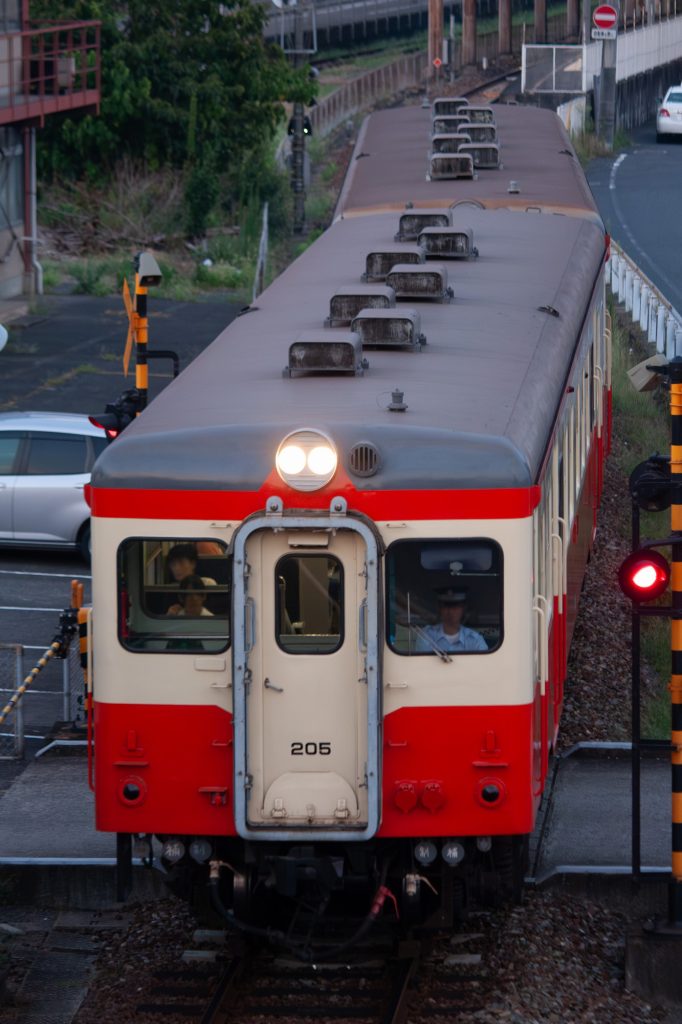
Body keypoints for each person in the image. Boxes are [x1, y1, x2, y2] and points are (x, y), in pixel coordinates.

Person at [416, 587, 487, 653]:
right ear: (439, 608)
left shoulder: (474, 639)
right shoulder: (427, 636)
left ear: (463, 609)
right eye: (446, 606)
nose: (450, 611)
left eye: (455, 607)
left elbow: (484, 664)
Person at [166, 543, 216, 614]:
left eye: (181, 562)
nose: (176, 568)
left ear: (193, 563)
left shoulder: (208, 583)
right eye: (173, 564)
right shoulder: (169, 590)